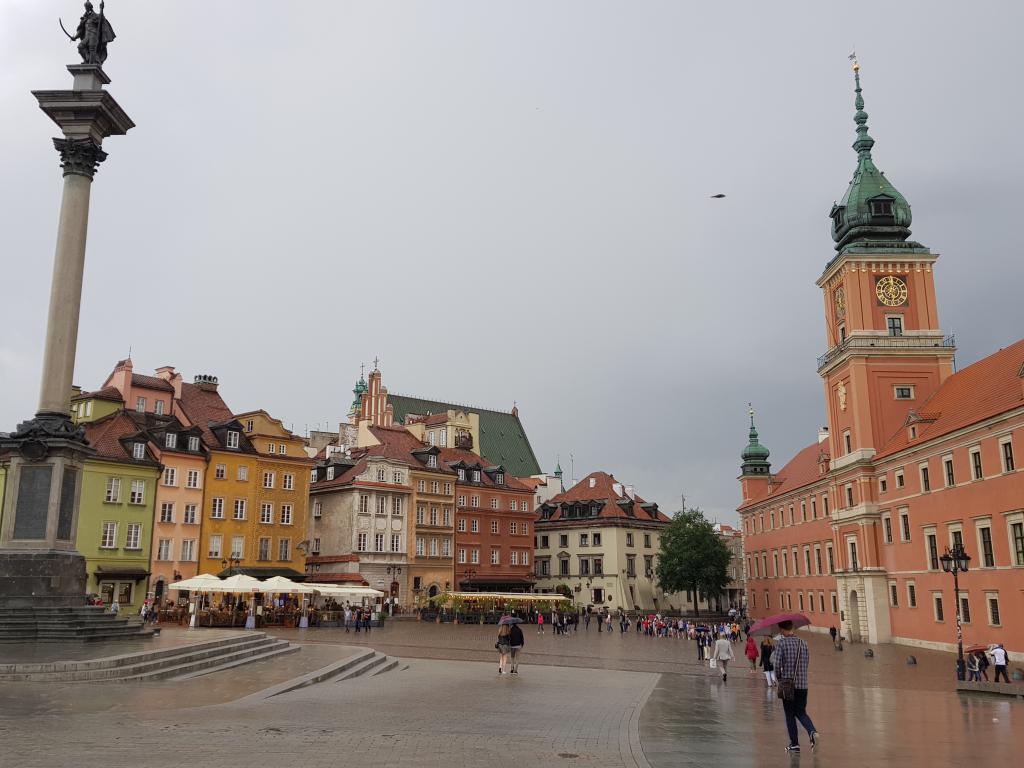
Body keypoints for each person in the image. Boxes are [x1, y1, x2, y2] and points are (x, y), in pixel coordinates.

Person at [772, 620, 819, 754]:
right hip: (803, 685)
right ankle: (812, 731)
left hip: (788, 685)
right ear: (792, 627)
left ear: (781, 630)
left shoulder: (781, 643)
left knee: (789, 714)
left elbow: (776, 665)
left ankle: (794, 744)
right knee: (801, 712)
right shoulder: (803, 643)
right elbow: (807, 662)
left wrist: (780, 678)